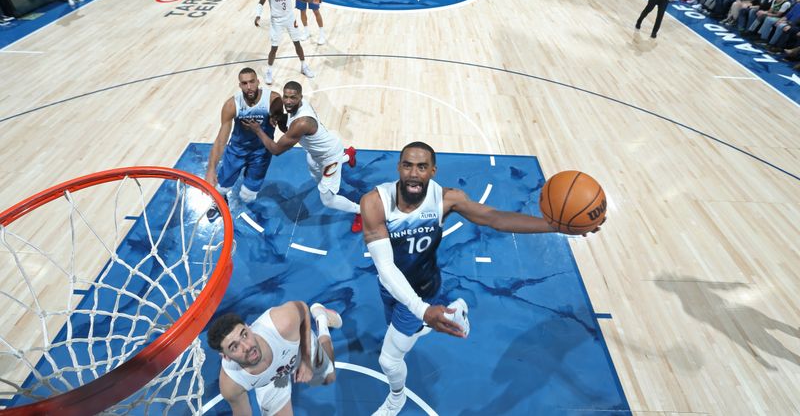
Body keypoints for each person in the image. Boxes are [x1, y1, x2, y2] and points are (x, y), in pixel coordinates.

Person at [360, 142, 603, 415]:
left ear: (433, 170)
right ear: (398, 167)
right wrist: (425, 313)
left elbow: (494, 218)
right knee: (412, 327)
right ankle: (454, 313)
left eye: (422, 166)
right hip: (392, 287)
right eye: (408, 165)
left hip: (423, 291)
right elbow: (386, 268)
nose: (414, 173)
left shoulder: (448, 199)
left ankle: (396, 399)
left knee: (390, 360)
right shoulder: (375, 203)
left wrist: (553, 226)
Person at [243, 80, 362, 233]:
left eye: (292, 98)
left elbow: (276, 150)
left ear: (300, 97)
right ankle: (347, 156)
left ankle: (360, 211)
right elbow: (288, 127)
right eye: (285, 97)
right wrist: (279, 119)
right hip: (317, 152)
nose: (288, 101)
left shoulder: (302, 123)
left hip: (329, 157)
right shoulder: (298, 110)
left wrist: (258, 130)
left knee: (327, 200)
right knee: (315, 174)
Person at [207, 301, 342, 415]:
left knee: (328, 378)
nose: (247, 347)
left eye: (244, 335)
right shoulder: (231, 384)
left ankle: (321, 318)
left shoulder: (281, 323)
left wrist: (306, 361)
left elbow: (302, 308)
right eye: (234, 347)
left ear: (249, 328)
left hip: (296, 350)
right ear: (225, 356)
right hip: (269, 382)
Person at [205, 67, 282, 221]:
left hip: (261, 153)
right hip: (237, 149)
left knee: (247, 196)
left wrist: (280, 120)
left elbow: (283, 125)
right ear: (239, 85)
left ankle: (247, 193)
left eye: (252, 82)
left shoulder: (273, 99)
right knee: (220, 187)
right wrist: (211, 168)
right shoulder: (232, 105)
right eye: (244, 83)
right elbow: (221, 140)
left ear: (258, 82)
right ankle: (220, 202)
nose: (249, 87)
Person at [255, 0, 319, 84]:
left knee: (297, 43)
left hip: (290, 18)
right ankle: (269, 71)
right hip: (277, 21)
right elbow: (261, 2)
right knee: (274, 48)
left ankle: (304, 66)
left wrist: (310, 0)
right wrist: (258, 15)